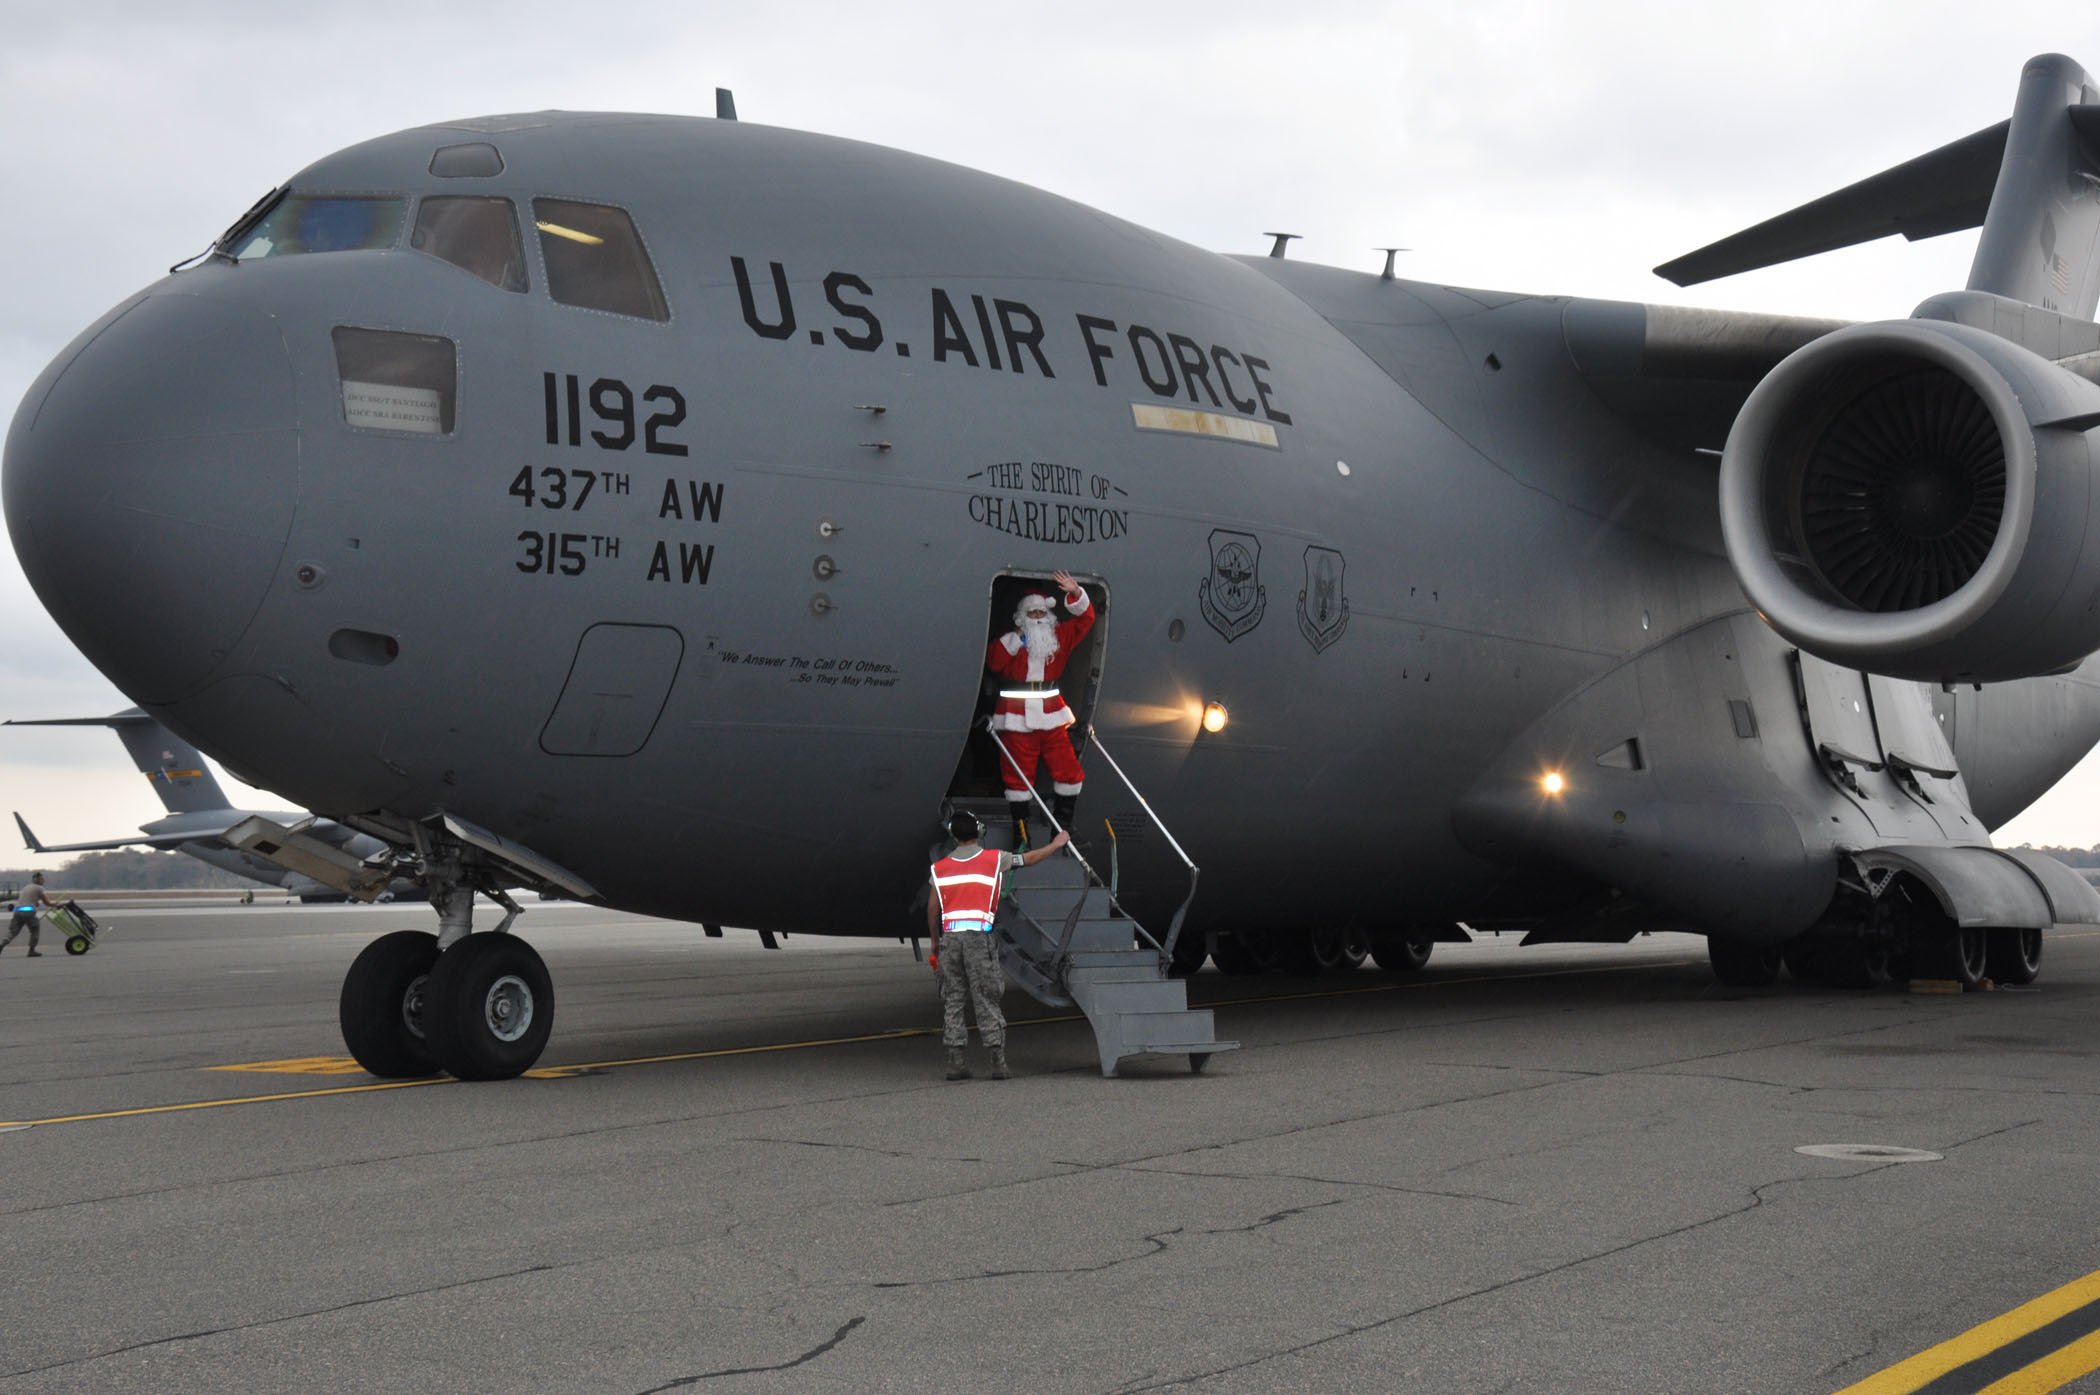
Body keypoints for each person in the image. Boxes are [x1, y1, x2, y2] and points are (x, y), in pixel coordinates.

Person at [927, 811, 1069, 1080]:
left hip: (950, 940)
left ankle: (956, 1063)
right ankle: (997, 1063)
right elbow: (1028, 859)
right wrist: (1055, 844)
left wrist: (936, 941)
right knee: (987, 997)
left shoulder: (940, 868)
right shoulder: (994, 859)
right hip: (979, 939)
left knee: (953, 1000)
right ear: (979, 832)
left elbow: (933, 908)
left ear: (954, 835)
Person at [986, 570, 1095, 844]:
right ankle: (1021, 834)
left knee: (1068, 770)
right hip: (1016, 716)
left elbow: (1086, 619)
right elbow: (994, 663)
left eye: (1041, 613)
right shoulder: (1010, 643)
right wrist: (1016, 641)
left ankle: (1062, 828)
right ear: (1022, 617)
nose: (1038, 618)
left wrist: (1075, 593)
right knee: (1018, 775)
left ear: (1050, 616)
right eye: (1032, 613)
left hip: (1051, 714)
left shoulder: (1060, 637)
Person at [4, 871, 54, 957]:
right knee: (35, 930)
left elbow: (27, 900)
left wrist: (35, 902)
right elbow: (46, 902)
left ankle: (2, 944)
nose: (43, 880)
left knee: (13, 932)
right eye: (42, 879)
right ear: (38, 880)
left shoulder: (26, 887)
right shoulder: (40, 888)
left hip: (18, 911)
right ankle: (31, 950)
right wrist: (56, 905)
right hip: (28, 912)